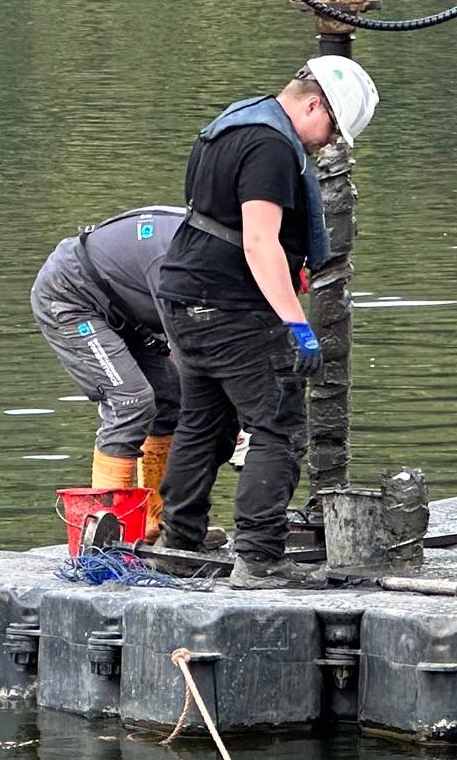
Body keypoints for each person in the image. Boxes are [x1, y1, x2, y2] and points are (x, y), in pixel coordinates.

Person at [153, 56, 379, 588]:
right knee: (276, 427)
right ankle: (259, 556)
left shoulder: (230, 124)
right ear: (312, 104)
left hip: (183, 293)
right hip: (230, 305)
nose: (326, 145)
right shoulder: (272, 147)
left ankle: (177, 542)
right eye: (331, 130)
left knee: (204, 424)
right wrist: (296, 323)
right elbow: (259, 241)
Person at [30, 205, 188, 539]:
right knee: (131, 401)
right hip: (71, 297)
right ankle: (106, 536)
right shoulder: (174, 260)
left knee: (169, 397)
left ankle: (154, 525)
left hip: (123, 308)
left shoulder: (230, 247)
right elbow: (189, 350)